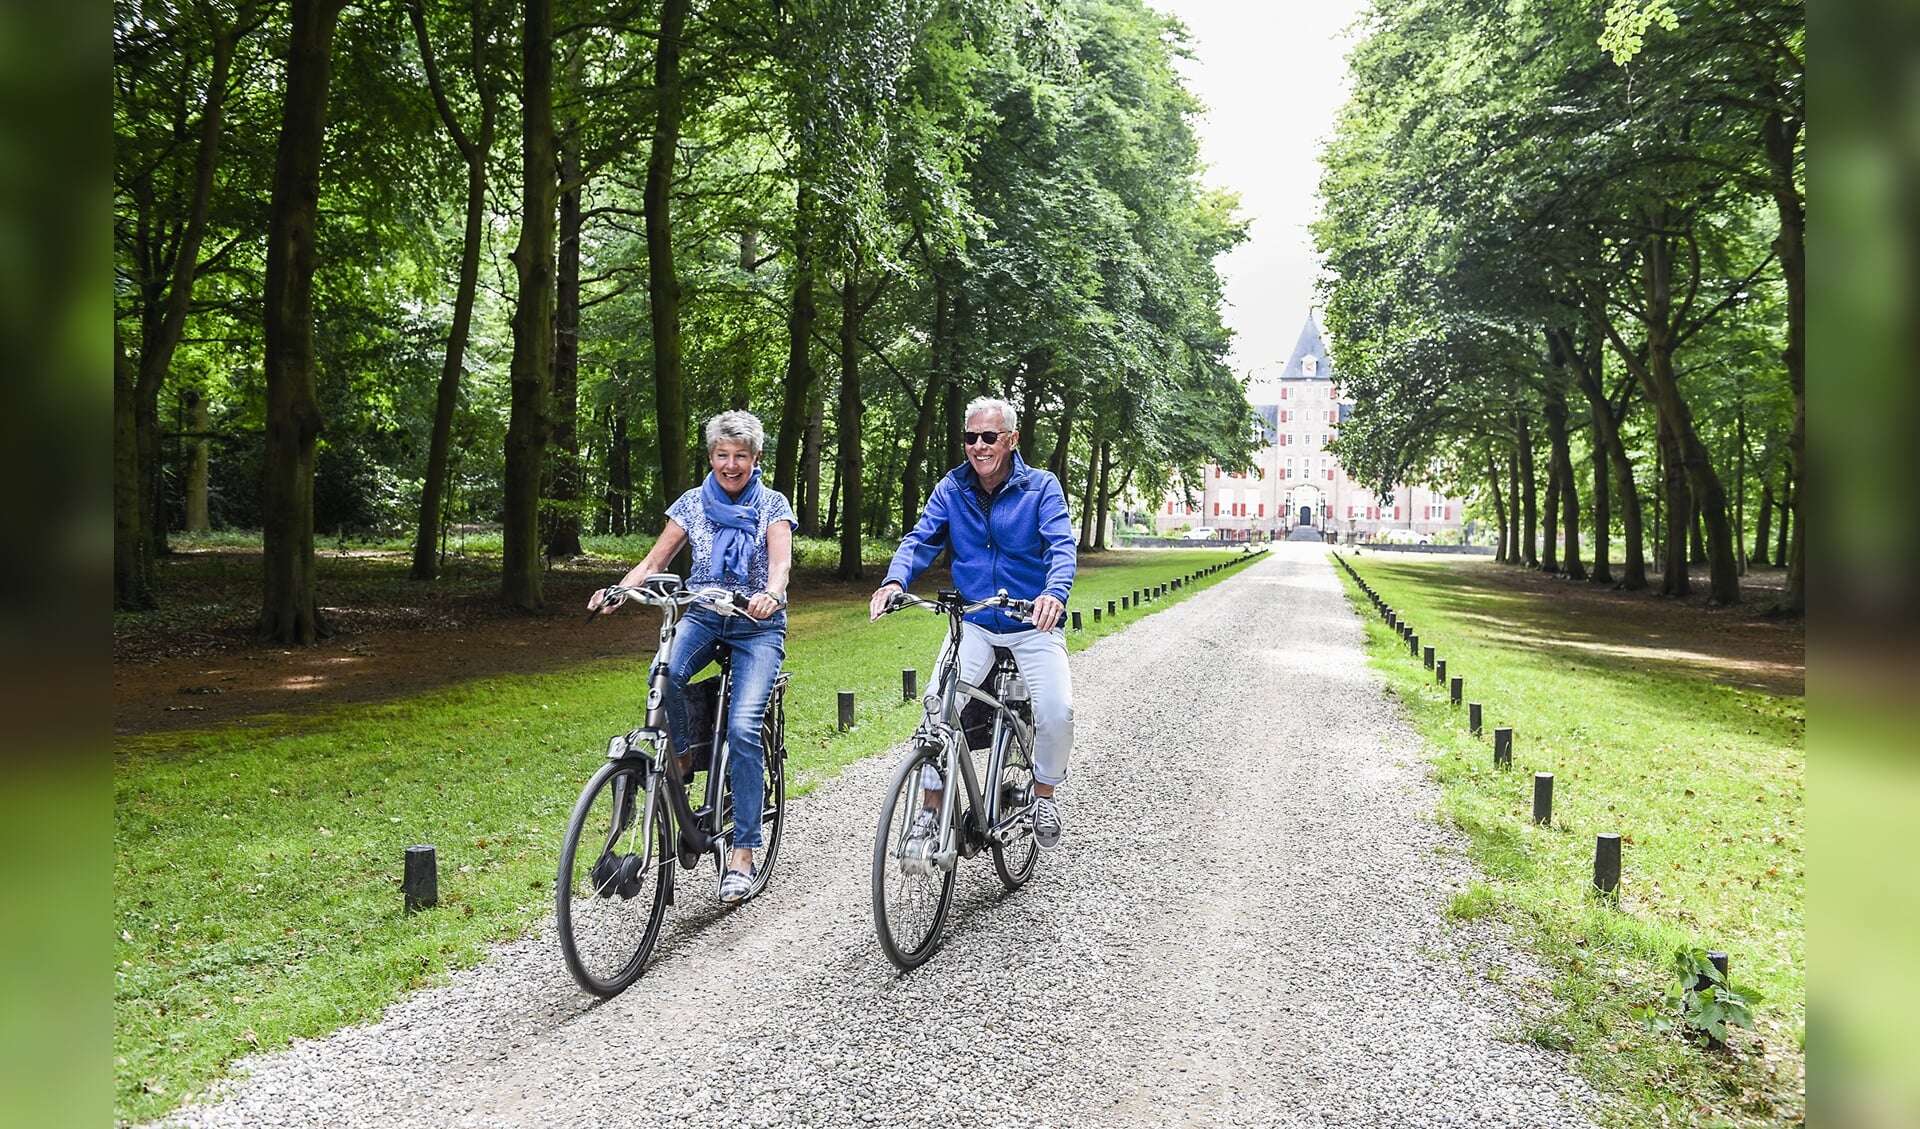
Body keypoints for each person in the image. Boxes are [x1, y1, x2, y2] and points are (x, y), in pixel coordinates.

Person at [592, 411, 794, 903]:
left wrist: (769, 593)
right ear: (710, 457)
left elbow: (781, 565)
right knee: (664, 674)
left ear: (756, 458)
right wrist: (618, 591)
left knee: (744, 727)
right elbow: (654, 561)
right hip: (704, 613)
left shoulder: (772, 504)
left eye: (741, 456)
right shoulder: (691, 504)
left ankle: (744, 852)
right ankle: (680, 760)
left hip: (756, 625)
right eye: (722, 455)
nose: (731, 465)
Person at [868, 396, 1076, 848]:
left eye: (989, 436)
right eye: (971, 437)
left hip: (1032, 623)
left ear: (1012, 439)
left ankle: (1044, 795)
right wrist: (893, 581)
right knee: (934, 714)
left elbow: (1061, 548)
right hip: (976, 623)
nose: (979, 446)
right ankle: (928, 814)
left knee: (1056, 712)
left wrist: (1053, 595)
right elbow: (920, 538)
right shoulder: (951, 488)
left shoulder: (1041, 488)